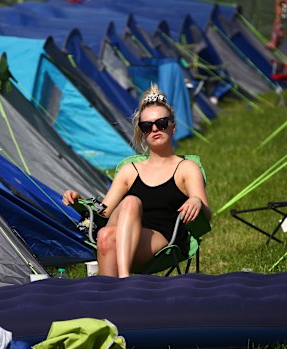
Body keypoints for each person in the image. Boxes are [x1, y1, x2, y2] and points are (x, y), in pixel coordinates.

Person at [62, 83, 211, 278]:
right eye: (147, 126)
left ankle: (122, 282)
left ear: (173, 127)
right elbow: (103, 212)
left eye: (162, 123)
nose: (155, 129)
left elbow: (206, 216)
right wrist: (77, 201)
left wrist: (196, 201)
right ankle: (112, 296)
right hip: (122, 235)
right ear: (142, 132)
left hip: (161, 241)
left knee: (128, 205)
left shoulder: (186, 168)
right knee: (105, 234)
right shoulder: (129, 170)